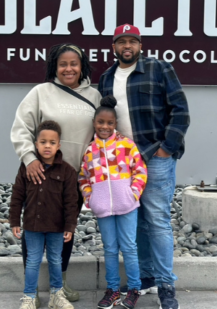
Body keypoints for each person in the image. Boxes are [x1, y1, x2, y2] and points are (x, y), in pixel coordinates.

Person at [98, 24, 190, 309]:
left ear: (140, 45)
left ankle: (166, 284)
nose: (127, 46)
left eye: (132, 41)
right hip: (123, 164)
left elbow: (181, 111)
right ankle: (147, 276)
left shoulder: (159, 68)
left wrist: (167, 148)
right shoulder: (106, 78)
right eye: (121, 41)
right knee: (134, 221)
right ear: (113, 47)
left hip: (155, 157)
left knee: (158, 221)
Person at [11, 43, 101, 305]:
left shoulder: (94, 97)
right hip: (41, 175)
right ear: (55, 67)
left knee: (65, 231)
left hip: (73, 179)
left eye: (74, 63)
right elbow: (20, 129)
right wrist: (29, 159)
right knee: (34, 232)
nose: (69, 68)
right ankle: (31, 292)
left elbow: (101, 134)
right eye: (63, 64)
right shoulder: (40, 93)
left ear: (82, 66)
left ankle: (58, 287)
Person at [78, 96, 147, 309]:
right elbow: (83, 177)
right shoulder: (90, 150)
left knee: (129, 247)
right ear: (94, 123)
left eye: (109, 123)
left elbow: (141, 170)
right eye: (101, 122)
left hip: (127, 206)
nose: (105, 127)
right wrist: (90, 199)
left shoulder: (126, 145)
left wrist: (133, 194)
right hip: (102, 208)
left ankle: (134, 288)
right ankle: (113, 290)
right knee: (109, 248)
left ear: (115, 124)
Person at [10, 121, 78, 309]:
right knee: (33, 260)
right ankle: (29, 296)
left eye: (52, 142)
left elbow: (71, 203)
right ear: (35, 144)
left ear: (59, 145)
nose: (47, 146)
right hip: (33, 226)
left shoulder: (67, 171)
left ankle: (57, 295)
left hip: (57, 227)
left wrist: (70, 226)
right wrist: (15, 220)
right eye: (43, 142)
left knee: (56, 260)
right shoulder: (26, 168)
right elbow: (17, 195)